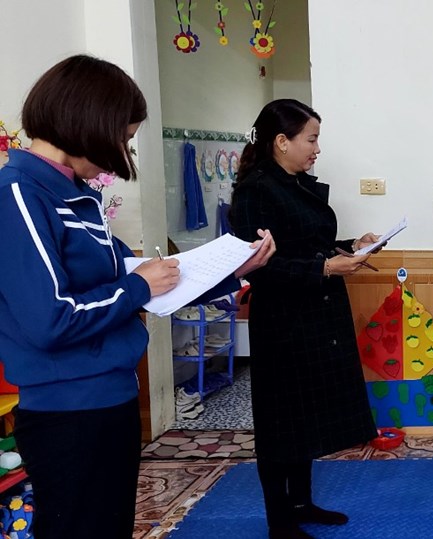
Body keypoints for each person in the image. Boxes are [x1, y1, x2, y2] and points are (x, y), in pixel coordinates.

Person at [0, 55, 274, 539]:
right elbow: (51, 319)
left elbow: (138, 283)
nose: (122, 153)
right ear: (89, 124)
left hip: (112, 398)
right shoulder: (19, 194)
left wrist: (233, 273)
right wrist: (140, 285)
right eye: (123, 139)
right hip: (69, 409)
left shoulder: (75, 195)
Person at [229, 99, 378, 539]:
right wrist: (326, 268)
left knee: (305, 420)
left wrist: (352, 246)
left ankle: (301, 502)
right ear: (281, 141)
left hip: (316, 317)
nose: (317, 149)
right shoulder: (256, 191)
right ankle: (280, 521)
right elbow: (258, 267)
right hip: (283, 324)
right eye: (311, 139)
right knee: (280, 425)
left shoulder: (296, 184)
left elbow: (305, 243)